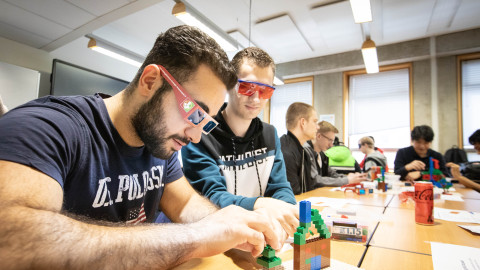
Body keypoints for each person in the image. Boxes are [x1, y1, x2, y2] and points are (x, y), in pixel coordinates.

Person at [0, 26, 283, 269]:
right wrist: (197, 236)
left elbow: (185, 203)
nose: (196, 137)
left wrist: (231, 226)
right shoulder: (46, 127)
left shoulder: (159, 145)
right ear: (151, 81)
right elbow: (11, 241)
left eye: (206, 123)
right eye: (195, 113)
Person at [181, 47, 298, 237]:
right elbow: (211, 197)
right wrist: (260, 204)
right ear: (230, 85)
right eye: (247, 87)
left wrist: (286, 213)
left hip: (259, 234)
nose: (256, 98)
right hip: (216, 236)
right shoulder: (199, 133)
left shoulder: (270, 134)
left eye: (265, 90)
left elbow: (280, 187)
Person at [304, 121, 366, 187]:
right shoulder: (306, 152)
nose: (331, 145)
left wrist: (351, 177)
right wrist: (347, 180)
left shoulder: (322, 155)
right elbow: (316, 180)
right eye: (329, 140)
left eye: (332, 141)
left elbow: (332, 174)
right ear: (319, 136)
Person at [280, 102, 318, 194]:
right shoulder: (286, 153)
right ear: (303, 122)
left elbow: (308, 188)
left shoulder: (303, 150)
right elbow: (293, 196)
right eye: (315, 121)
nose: (318, 127)